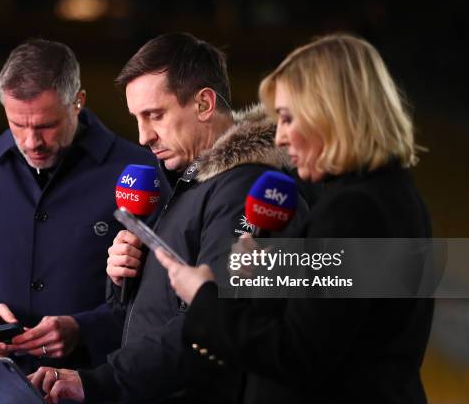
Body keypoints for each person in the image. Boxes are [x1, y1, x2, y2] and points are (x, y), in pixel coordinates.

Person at [28, 32, 307, 403]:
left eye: (154, 115)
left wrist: (101, 382)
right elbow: (160, 312)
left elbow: (212, 323)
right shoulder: (186, 183)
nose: (143, 136)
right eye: (137, 118)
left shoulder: (246, 190)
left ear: (204, 103)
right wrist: (126, 280)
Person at [156, 34, 434, 403]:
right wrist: (273, 269)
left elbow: (297, 352)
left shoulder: (354, 211)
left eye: (288, 118)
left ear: (331, 114)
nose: (281, 139)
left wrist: (204, 297)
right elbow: (343, 315)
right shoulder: (390, 194)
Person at [0, 39, 159, 403]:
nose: (32, 141)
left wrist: (84, 329)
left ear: (77, 102)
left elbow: (161, 299)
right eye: (18, 124)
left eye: (47, 125)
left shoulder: (138, 171)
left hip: (97, 389)